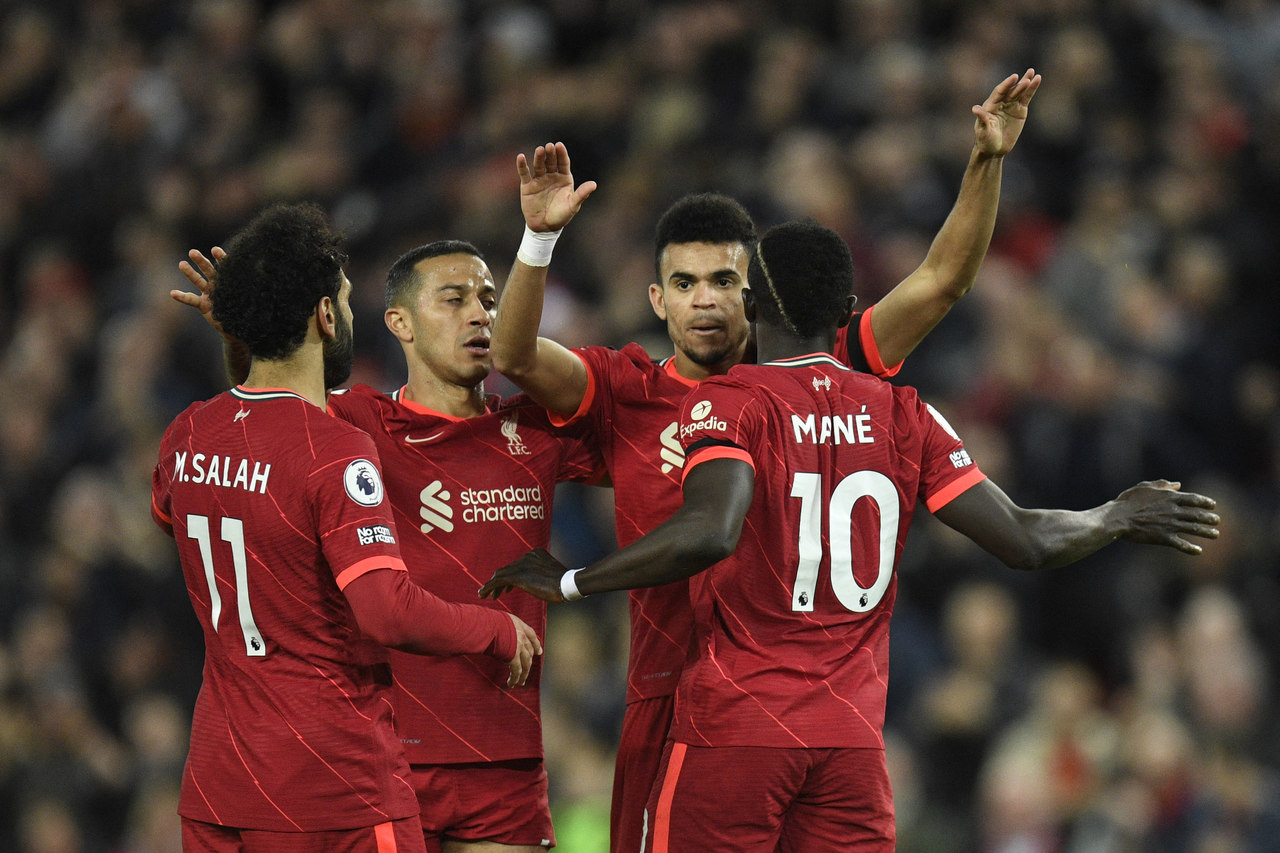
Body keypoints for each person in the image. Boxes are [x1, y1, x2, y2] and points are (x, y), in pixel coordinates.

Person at [480, 218, 1221, 851]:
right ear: (847, 307)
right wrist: (1115, 515)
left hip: (737, 729)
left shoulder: (732, 403)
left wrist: (575, 580)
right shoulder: (905, 413)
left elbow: (709, 528)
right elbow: (1027, 539)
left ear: (753, 302)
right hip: (852, 745)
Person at [490, 70, 1042, 853]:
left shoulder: (823, 369)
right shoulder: (628, 392)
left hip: (770, 706)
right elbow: (513, 353)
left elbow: (942, 280)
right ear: (657, 300)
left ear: (755, 294)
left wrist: (986, 162)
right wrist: (539, 238)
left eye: (724, 279)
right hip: (665, 693)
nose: (706, 299)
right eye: (684, 283)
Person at [175, 235, 601, 850]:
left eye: (487, 298)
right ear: (398, 322)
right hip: (389, 753)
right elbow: (263, 418)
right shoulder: (354, 422)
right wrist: (252, 334)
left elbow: (640, 469)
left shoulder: (532, 431)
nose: (479, 313)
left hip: (502, 753)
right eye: (453, 299)